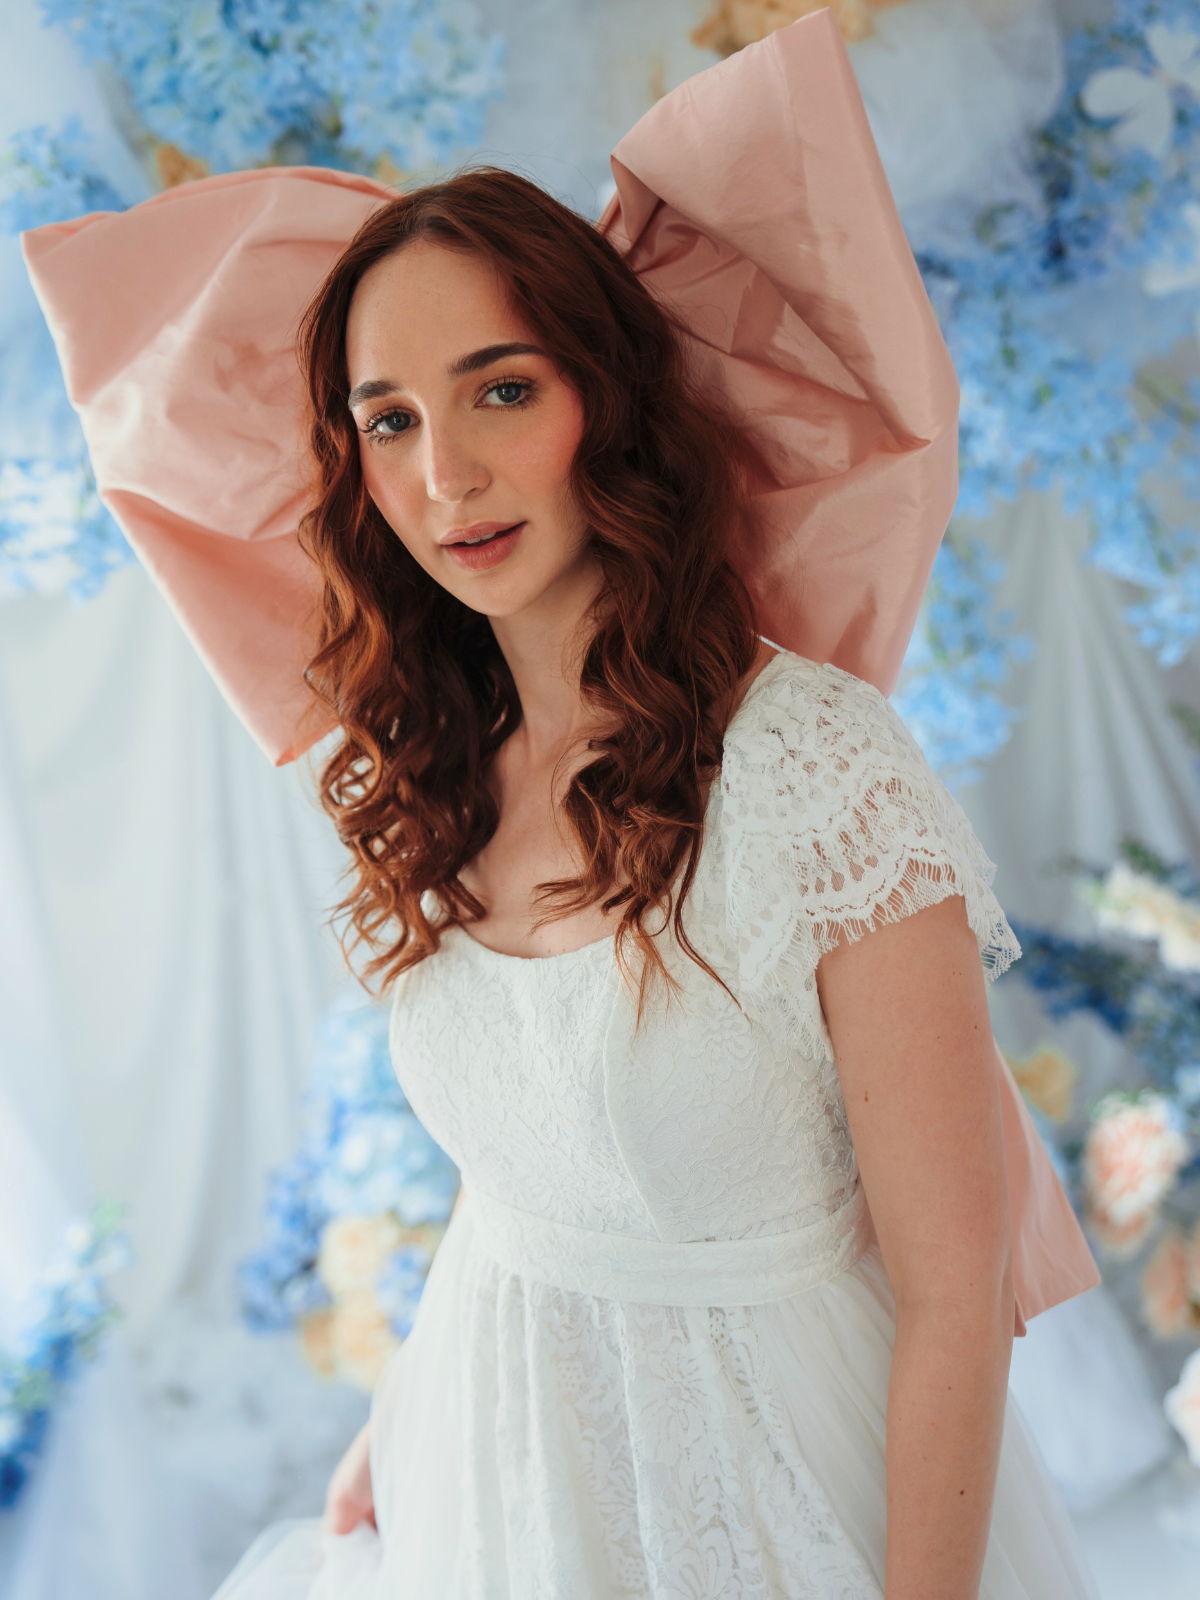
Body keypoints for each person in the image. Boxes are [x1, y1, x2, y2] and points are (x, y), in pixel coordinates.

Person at [25, 12, 1100, 1597]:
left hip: (773, 1484)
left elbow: (952, 1287)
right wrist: (396, 1419)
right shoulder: (425, 768)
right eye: (389, 421)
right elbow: (526, 1180)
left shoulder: (814, 768)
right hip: (492, 1450)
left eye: (499, 392)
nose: (445, 474)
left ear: (603, 395)